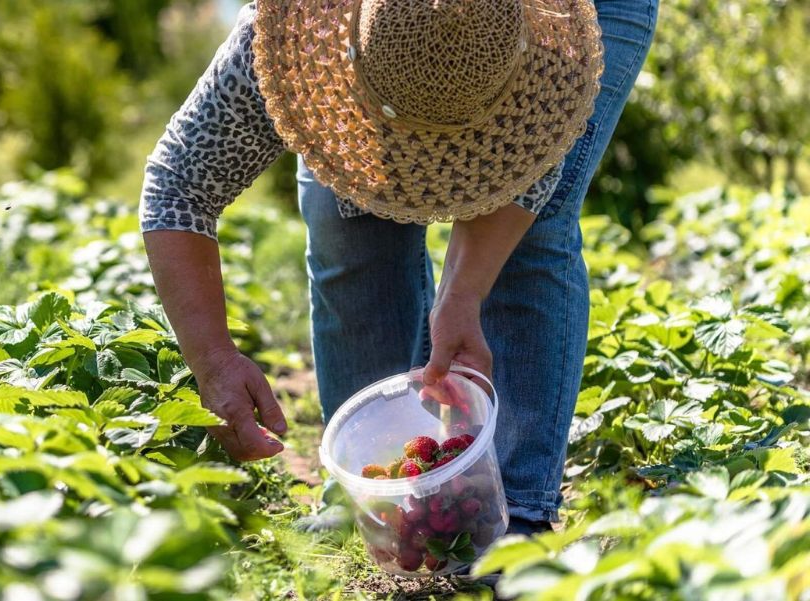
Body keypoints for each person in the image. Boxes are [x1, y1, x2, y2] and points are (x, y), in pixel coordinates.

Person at [140, 0, 657, 534]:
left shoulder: (555, 59)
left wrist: (462, 296)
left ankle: (516, 505)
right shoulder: (288, 32)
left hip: (581, 16)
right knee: (346, 214)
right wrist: (215, 360)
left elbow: (529, 179)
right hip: (369, 45)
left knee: (534, 232)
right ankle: (375, 499)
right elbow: (178, 187)